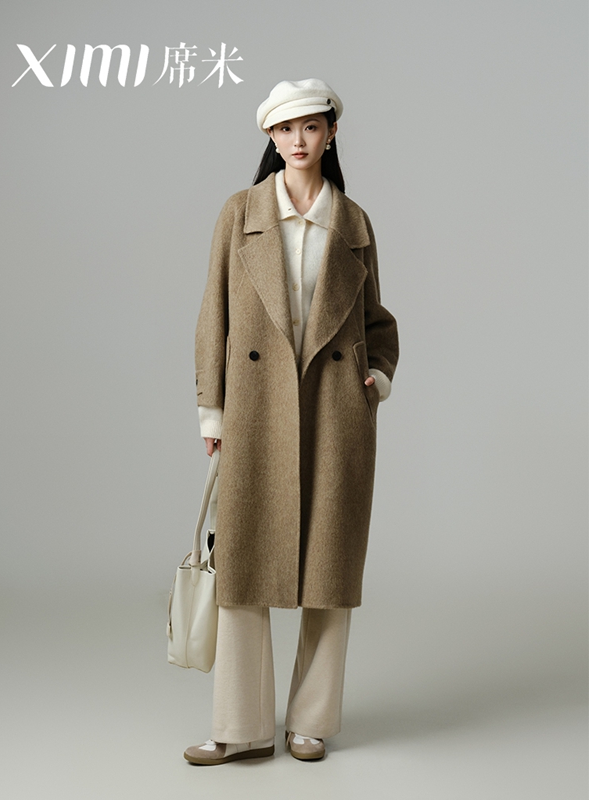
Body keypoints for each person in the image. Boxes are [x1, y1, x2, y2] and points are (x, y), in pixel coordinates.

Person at [184, 78, 399, 766]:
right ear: (270, 138)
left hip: (336, 410)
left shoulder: (354, 222)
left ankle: (311, 721)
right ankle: (241, 726)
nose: (298, 140)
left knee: (329, 567)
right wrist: (212, 410)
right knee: (244, 564)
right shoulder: (240, 212)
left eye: (310, 126)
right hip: (255, 409)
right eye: (284, 129)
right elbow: (214, 314)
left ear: (331, 133)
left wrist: (376, 378)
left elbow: (377, 322)